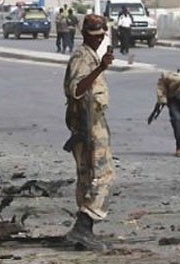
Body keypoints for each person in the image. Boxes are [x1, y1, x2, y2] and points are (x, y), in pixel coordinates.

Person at [63, 14, 115, 251]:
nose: (99, 40)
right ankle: (83, 226)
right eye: (95, 36)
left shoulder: (91, 56)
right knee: (100, 176)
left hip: (93, 121)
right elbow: (76, 89)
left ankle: (84, 230)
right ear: (84, 35)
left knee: (89, 176)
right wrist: (101, 68)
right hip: (86, 124)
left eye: (102, 36)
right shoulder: (81, 58)